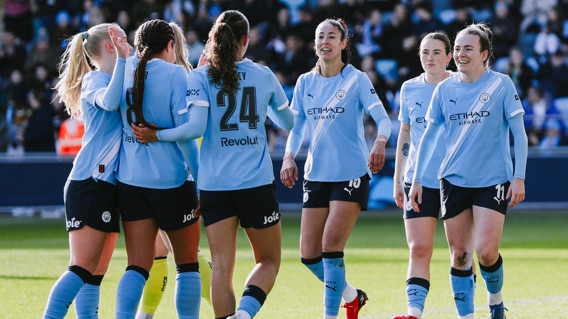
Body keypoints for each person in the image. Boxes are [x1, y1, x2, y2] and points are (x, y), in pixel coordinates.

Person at [132, 11, 294, 319]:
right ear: (246, 40)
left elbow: (194, 128)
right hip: (255, 183)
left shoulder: (200, 76)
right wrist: (264, 110)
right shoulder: (263, 75)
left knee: (221, 267)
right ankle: (244, 315)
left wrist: (156, 134)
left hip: (214, 186)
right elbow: (288, 121)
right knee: (269, 261)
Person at [408, 23, 528, 319]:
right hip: (453, 181)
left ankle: (495, 301)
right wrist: (418, 179)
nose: (460, 54)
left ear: (484, 54)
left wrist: (519, 176)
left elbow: (519, 134)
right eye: (458, 48)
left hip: (493, 180)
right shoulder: (444, 89)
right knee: (460, 255)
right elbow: (429, 137)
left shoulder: (501, 84)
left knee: (486, 252)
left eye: (468, 49)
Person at [280, 18, 392, 319]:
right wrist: (289, 155)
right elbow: (297, 125)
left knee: (330, 247)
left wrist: (379, 143)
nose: (325, 41)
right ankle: (352, 295)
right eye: (320, 37)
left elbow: (384, 120)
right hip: (316, 174)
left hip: (351, 173)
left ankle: (330, 315)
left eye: (332, 36)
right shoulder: (305, 82)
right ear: (315, 43)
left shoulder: (357, 80)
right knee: (308, 255)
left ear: (344, 43)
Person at [114, 19, 201, 319]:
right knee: (187, 264)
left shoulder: (123, 70)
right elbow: (187, 134)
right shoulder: (176, 73)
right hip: (171, 182)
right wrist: (201, 184)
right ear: (170, 45)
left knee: (137, 265)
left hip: (130, 182)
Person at [43, 23, 131, 318]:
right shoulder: (95, 80)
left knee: (95, 273)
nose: (127, 41)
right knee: (80, 267)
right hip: (90, 182)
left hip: (106, 185)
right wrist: (124, 62)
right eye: (122, 37)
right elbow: (109, 101)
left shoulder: (113, 76)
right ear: (110, 45)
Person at [135, 22, 211, 319]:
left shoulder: (177, 76)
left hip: (156, 175)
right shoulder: (182, 76)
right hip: (177, 174)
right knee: (180, 258)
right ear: (172, 45)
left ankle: (144, 315)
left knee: (167, 256)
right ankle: (225, 309)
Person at [392, 32, 463, 319]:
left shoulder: (462, 85)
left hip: (458, 181)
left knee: (461, 253)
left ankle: (466, 312)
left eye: (436, 53)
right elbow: (405, 133)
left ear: (449, 57)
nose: (430, 58)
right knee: (419, 248)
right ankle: (413, 313)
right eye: (425, 53)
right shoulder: (409, 88)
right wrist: (399, 178)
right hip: (417, 181)